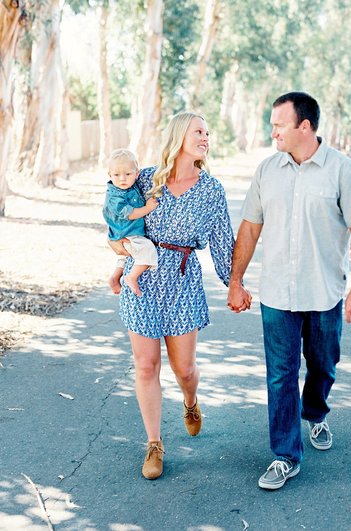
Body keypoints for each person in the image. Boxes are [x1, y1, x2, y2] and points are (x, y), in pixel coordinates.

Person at [227, 92, 351, 490]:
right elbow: (250, 228)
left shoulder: (342, 171)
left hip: (324, 291)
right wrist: (236, 280)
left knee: (323, 363)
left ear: (304, 127)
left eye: (279, 124)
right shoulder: (267, 170)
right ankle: (284, 455)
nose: (272, 131)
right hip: (277, 293)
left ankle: (316, 413)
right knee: (280, 375)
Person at [109, 112, 235, 480]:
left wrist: (236, 285)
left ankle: (191, 402)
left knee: (184, 369)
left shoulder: (211, 190)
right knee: (146, 365)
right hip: (143, 281)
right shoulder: (146, 179)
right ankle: (154, 443)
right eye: (199, 131)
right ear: (179, 135)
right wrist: (119, 257)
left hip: (182, 282)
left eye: (208, 133)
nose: (205, 137)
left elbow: (223, 244)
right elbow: (122, 222)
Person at [103, 148, 158, 296]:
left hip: (127, 233)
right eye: (116, 175)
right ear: (109, 175)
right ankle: (132, 277)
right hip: (127, 232)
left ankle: (115, 278)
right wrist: (148, 208)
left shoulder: (131, 186)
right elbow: (131, 214)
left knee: (127, 257)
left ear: (137, 174)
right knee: (147, 249)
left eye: (128, 174)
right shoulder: (115, 196)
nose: (122, 179)